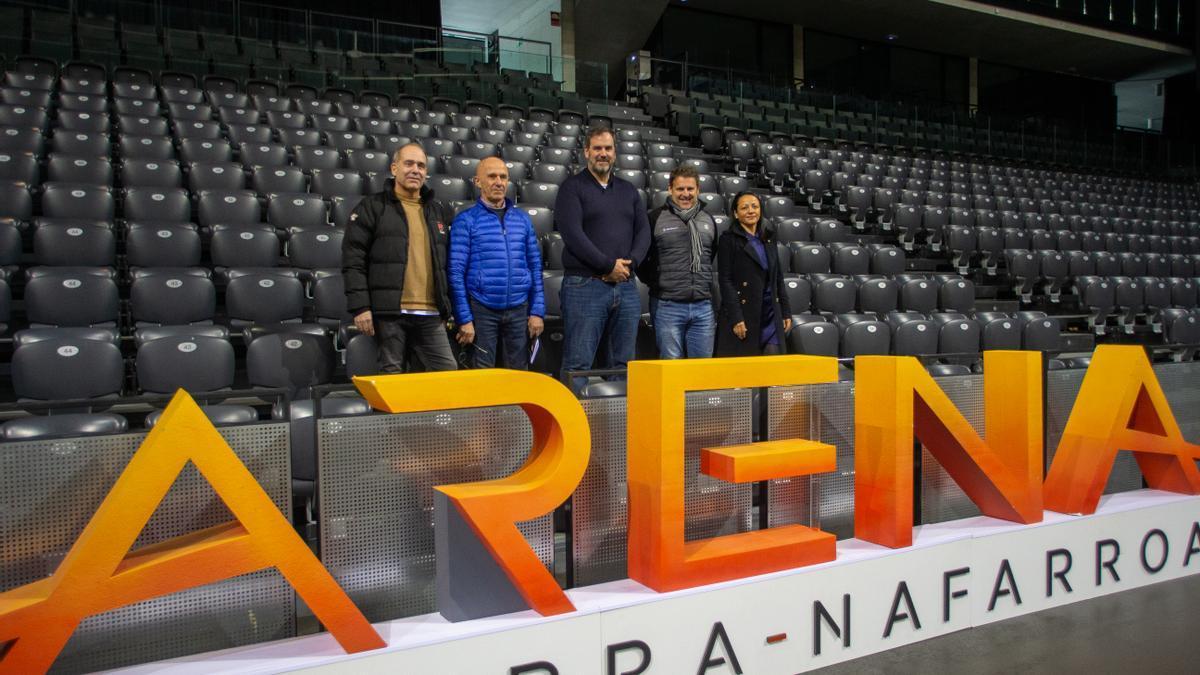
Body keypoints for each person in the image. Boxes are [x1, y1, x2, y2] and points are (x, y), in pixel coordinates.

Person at [342, 142, 457, 373]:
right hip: (390, 313)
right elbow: (353, 259)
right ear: (394, 168)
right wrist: (361, 307)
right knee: (392, 378)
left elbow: (443, 264)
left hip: (430, 313)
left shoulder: (436, 211)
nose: (416, 170)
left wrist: (446, 308)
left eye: (422, 166)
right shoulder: (372, 207)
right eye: (409, 163)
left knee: (447, 371)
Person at [554, 125, 651, 391]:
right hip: (584, 286)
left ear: (615, 153)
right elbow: (573, 235)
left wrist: (630, 264)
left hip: (626, 286)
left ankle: (618, 426)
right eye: (597, 148)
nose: (603, 154)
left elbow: (643, 231)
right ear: (586, 152)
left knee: (623, 365)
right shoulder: (571, 188)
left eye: (608, 148)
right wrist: (608, 265)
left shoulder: (629, 191)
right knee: (578, 364)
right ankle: (574, 430)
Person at [447, 157, 545, 368]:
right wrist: (464, 318)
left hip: (519, 308)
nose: (498, 182)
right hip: (482, 309)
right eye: (491, 176)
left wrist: (537, 311)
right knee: (482, 379)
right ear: (477, 181)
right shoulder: (465, 220)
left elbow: (535, 267)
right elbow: (455, 272)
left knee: (519, 376)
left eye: (503, 177)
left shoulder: (522, 220)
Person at [639, 165, 717, 359]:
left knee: (701, 372)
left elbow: (711, 255)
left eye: (690, 189)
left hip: (703, 306)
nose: (685, 194)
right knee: (671, 371)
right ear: (670, 189)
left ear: (698, 190)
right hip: (667, 306)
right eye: (680, 189)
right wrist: (658, 283)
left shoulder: (708, 220)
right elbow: (642, 259)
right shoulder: (654, 218)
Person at [715, 191, 792, 356]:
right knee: (748, 371)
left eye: (755, 207)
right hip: (745, 311)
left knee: (772, 364)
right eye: (744, 208)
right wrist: (736, 317)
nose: (751, 211)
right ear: (735, 213)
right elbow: (725, 280)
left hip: (771, 310)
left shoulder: (768, 237)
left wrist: (785, 311)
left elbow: (777, 277)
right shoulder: (728, 240)